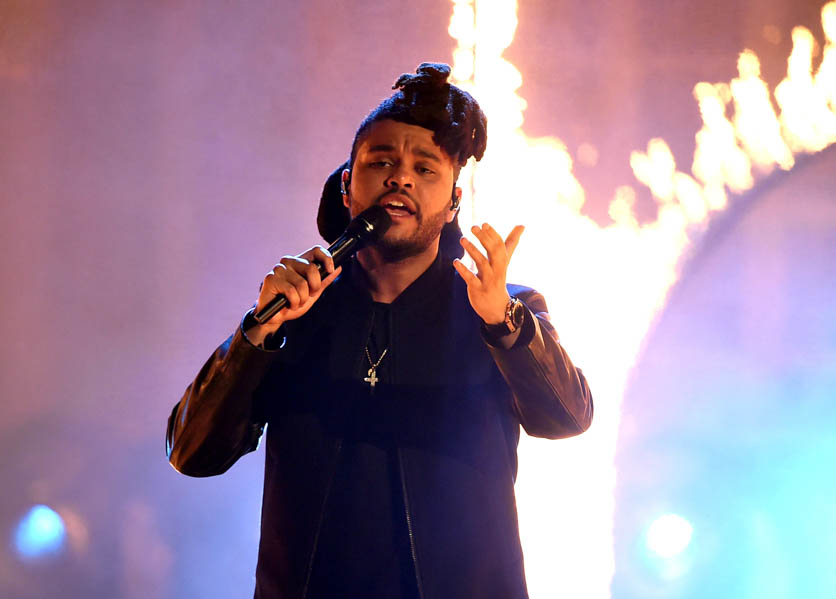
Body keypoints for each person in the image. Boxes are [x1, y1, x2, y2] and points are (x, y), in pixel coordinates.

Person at [166, 62, 593, 599]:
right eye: (381, 161)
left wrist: (503, 323)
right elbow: (192, 453)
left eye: (426, 168)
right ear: (348, 187)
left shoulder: (500, 310)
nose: (401, 177)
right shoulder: (298, 315)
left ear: (454, 201)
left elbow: (568, 418)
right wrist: (258, 333)